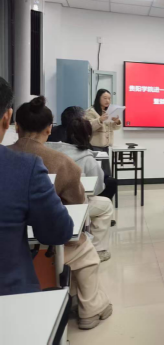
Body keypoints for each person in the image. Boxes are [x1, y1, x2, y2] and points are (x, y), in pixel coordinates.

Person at [10, 97, 112, 330]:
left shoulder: (6, 156)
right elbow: (78, 206)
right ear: (49, 129)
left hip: (10, 246)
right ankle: (90, 309)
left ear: (16, 127)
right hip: (42, 248)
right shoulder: (64, 163)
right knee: (83, 247)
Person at [0, 78, 74, 296]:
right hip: (11, 302)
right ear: (7, 118)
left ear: (16, 125)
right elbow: (58, 232)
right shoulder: (25, 167)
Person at [46, 117, 115, 262]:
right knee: (106, 205)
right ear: (88, 135)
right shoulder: (87, 158)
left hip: (45, 206)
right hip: (73, 206)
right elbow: (98, 188)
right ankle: (98, 249)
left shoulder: (48, 151)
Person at [85, 89, 122, 176]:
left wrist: (117, 122)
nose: (107, 101)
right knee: (97, 172)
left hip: (105, 146)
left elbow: (113, 127)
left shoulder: (108, 112)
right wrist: (100, 120)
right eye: (105, 98)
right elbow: (88, 127)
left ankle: (106, 184)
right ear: (98, 98)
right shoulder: (91, 112)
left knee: (105, 172)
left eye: (109, 98)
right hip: (94, 147)